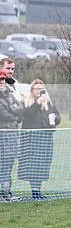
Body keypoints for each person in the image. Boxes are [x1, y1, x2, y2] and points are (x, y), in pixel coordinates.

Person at [19, 80, 61, 200]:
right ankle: (35, 191)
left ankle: (38, 190)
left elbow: (58, 117)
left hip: (45, 138)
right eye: (37, 89)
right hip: (31, 139)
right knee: (33, 165)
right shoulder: (27, 102)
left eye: (41, 89)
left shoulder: (48, 102)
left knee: (43, 165)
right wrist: (38, 102)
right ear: (32, 90)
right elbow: (28, 114)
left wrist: (55, 118)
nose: (39, 91)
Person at [0, 69, 24, 202]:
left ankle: (7, 194)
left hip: (13, 136)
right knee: (2, 165)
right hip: (3, 136)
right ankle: (2, 194)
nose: (2, 81)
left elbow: (21, 108)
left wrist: (14, 112)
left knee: (9, 165)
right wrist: (15, 114)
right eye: (0, 79)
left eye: (3, 79)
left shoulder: (9, 93)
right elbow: (3, 114)